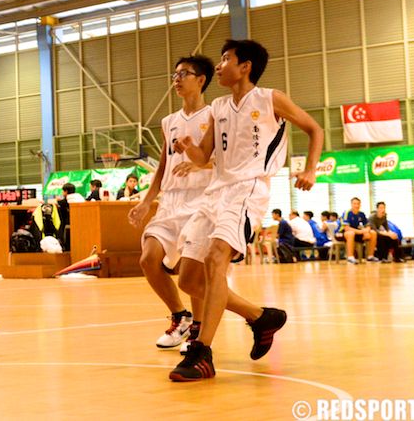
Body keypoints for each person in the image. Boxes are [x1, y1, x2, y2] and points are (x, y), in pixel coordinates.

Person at [170, 38, 323, 382]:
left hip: (248, 189)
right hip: (215, 192)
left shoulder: (271, 98)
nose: (220, 65)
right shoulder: (219, 106)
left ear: (245, 66)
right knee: (190, 279)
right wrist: (189, 148)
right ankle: (260, 316)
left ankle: (202, 352)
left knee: (215, 260)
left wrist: (310, 169)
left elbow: (316, 129)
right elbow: (204, 157)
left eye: (226, 59)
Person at [129, 55, 215, 352]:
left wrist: (200, 166)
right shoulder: (169, 122)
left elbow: (226, 160)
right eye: (174, 75)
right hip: (171, 201)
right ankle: (181, 317)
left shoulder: (215, 115)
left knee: (193, 270)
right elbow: (163, 166)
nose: (176, 80)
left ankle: (198, 332)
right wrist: (146, 201)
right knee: (147, 259)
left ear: (201, 79)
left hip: (203, 199)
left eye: (184, 74)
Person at [337, 198, 377, 264]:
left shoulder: (361, 214)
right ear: (351, 204)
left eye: (358, 204)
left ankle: (370, 256)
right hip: (342, 233)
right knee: (350, 233)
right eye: (354, 204)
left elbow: (368, 225)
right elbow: (347, 228)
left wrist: (366, 231)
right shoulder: (347, 213)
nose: (356, 205)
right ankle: (350, 257)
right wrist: (361, 232)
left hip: (356, 233)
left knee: (373, 233)